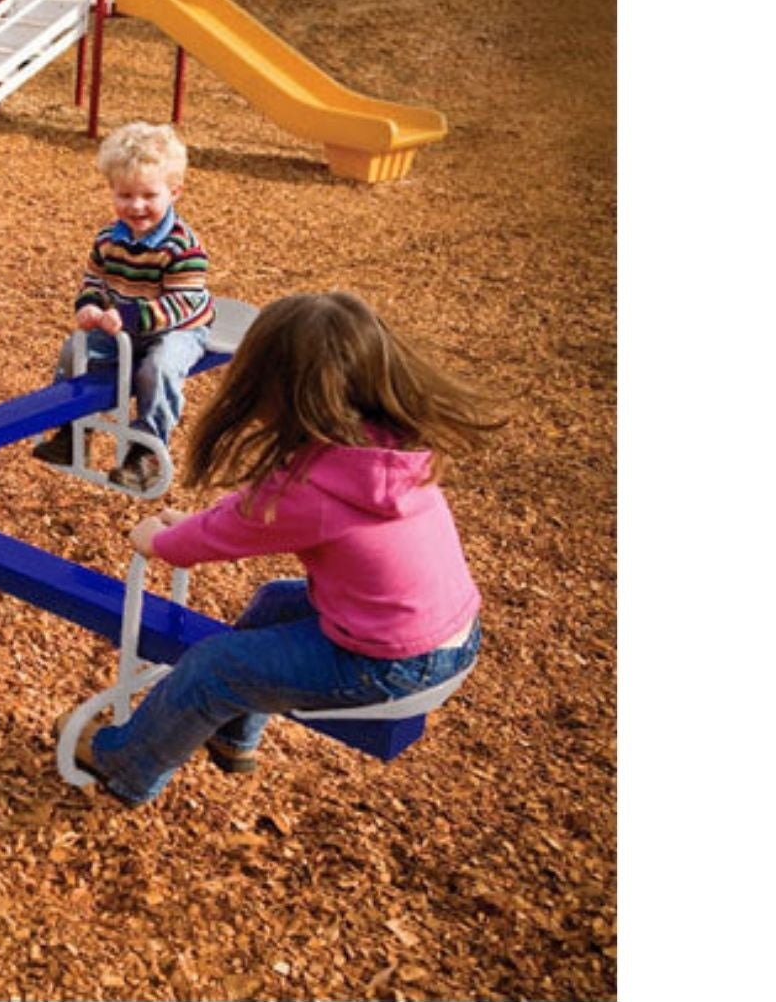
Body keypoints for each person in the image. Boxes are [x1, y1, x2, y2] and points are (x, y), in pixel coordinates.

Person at [72, 291, 504, 806]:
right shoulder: (389, 447)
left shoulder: (310, 487)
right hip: (449, 633)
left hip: (391, 661)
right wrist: (196, 525)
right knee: (277, 600)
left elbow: (224, 533)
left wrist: (161, 541)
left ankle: (128, 764)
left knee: (216, 665)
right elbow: (247, 515)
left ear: (278, 392)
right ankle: (233, 735)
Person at [31, 121, 212, 489]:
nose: (137, 206)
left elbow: (185, 302)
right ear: (112, 191)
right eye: (125, 195)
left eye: (148, 195)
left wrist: (130, 315)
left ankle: (145, 450)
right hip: (121, 323)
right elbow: (95, 280)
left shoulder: (183, 246)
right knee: (73, 352)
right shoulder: (107, 239)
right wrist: (90, 305)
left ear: (174, 191)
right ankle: (71, 432)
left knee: (157, 369)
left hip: (178, 326)